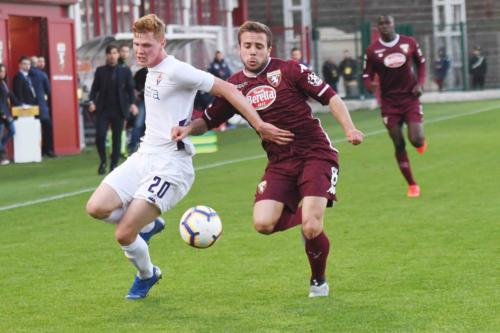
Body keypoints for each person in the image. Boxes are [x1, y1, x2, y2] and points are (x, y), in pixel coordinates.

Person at [85, 14, 292, 300]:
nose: (140, 50)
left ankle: (147, 275)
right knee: (95, 208)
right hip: (144, 155)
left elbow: (229, 89)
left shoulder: (178, 70)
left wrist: (259, 124)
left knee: (123, 235)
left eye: (147, 45)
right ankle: (147, 225)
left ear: (162, 43)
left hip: (172, 166)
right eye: (136, 44)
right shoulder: (149, 69)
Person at [172, 21, 364, 297]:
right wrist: (188, 129)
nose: (253, 52)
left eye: (259, 47)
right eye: (247, 46)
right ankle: (311, 220)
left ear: (269, 49)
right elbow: (209, 120)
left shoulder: (290, 70)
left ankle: (318, 279)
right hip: (280, 163)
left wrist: (350, 129)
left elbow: (330, 97)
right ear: (238, 49)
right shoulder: (234, 86)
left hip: (315, 154)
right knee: (263, 224)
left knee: (311, 226)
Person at [362, 15, 426, 197]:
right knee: (398, 142)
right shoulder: (372, 50)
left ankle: (420, 142)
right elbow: (366, 74)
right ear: (377, 28)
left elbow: (421, 62)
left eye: (387, 23)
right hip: (389, 102)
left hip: (410, 97)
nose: (384, 26)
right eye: (380, 24)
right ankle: (412, 184)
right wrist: (369, 86)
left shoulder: (409, 42)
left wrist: (420, 83)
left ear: (393, 24)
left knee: (416, 140)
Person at [88, 44, 137, 174]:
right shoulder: (100, 71)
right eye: (110, 53)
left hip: (119, 110)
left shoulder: (125, 71)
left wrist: (132, 104)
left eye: (115, 53)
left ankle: (114, 164)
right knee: (100, 136)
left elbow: (130, 89)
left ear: (118, 55)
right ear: (106, 55)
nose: (112, 55)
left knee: (117, 138)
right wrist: (91, 101)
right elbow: (94, 89)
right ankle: (103, 160)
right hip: (103, 109)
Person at [30, 55, 56, 157]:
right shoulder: (42, 75)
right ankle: (47, 150)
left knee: (34, 130)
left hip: (29, 107)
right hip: (41, 106)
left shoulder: (25, 75)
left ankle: (37, 151)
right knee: (48, 127)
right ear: (36, 63)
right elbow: (48, 91)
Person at [0, 64, 18, 165]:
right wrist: (2, 113)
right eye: (1, 71)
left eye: (4, 71)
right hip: (2, 114)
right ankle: (2, 156)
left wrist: (20, 104)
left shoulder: (4, 83)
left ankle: (1, 147)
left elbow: (10, 96)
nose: (3, 73)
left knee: (12, 130)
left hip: (7, 113)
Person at [128, 66, 148, 153]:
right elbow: (134, 86)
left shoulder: (161, 71)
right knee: (139, 124)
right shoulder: (141, 72)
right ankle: (133, 146)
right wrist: (140, 92)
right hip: (144, 101)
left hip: (158, 103)